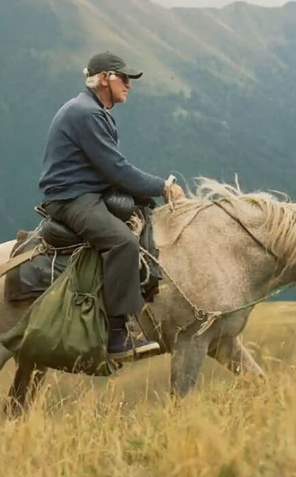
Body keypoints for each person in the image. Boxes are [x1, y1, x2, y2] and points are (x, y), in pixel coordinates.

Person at [39, 51, 186, 359]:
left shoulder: (89, 109)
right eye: (125, 78)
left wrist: (146, 193)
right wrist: (163, 187)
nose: (129, 85)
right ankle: (117, 336)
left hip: (85, 191)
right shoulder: (87, 114)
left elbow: (112, 170)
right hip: (71, 198)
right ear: (105, 78)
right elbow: (116, 169)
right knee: (123, 243)